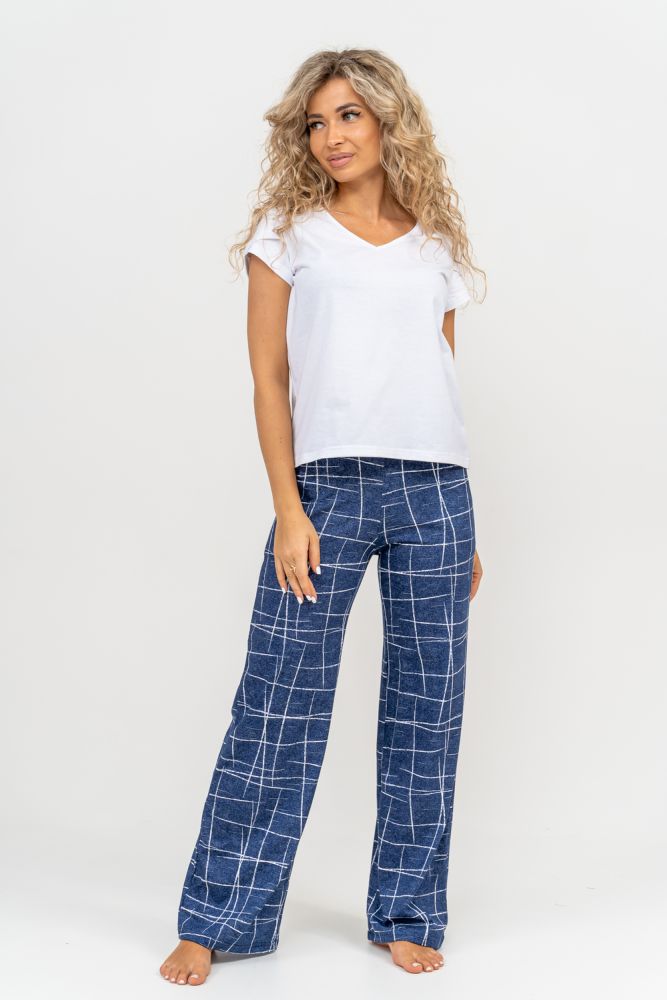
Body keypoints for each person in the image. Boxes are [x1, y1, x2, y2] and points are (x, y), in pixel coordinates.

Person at [160, 47, 485, 985]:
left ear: (387, 120)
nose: (331, 136)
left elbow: (439, 378)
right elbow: (270, 380)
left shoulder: (434, 243)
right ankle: (218, 917)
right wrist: (288, 508)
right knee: (277, 704)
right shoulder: (287, 234)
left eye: (348, 115)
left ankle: (407, 911)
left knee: (427, 712)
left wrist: (470, 522)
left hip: (437, 493)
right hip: (325, 490)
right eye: (315, 122)